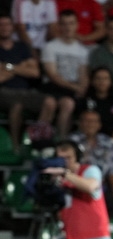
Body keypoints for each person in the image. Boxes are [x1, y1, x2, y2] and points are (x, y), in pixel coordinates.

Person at [0, 12, 55, 152]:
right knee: (17, 105)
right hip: (4, 92)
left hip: (26, 91)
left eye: (7, 24)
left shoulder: (22, 47)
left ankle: (37, 141)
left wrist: (7, 67)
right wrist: (22, 66)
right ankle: (15, 146)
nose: (4, 27)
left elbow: (35, 72)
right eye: (1, 24)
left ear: (13, 27)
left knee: (50, 102)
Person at [40, 9, 89, 140]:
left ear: (77, 25)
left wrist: (83, 88)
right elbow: (52, 74)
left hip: (72, 88)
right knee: (50, 103)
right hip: (53, 86)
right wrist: (75, 88)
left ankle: (61, 141)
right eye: (64, 24)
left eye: (71, 23)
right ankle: (40, 141)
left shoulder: (82, 50)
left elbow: (83, 74)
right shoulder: (50, 47)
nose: (68, 27)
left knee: (68, 104)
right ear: (59, 26)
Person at [76, 66, 113, 140]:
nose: (102, 81)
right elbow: (81, 123)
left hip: (111, 140)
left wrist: (112, 141)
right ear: (92, 81)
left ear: (111, 81)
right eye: (98, 78)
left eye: (105, 78)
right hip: (88, 140)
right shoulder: (86, 99)